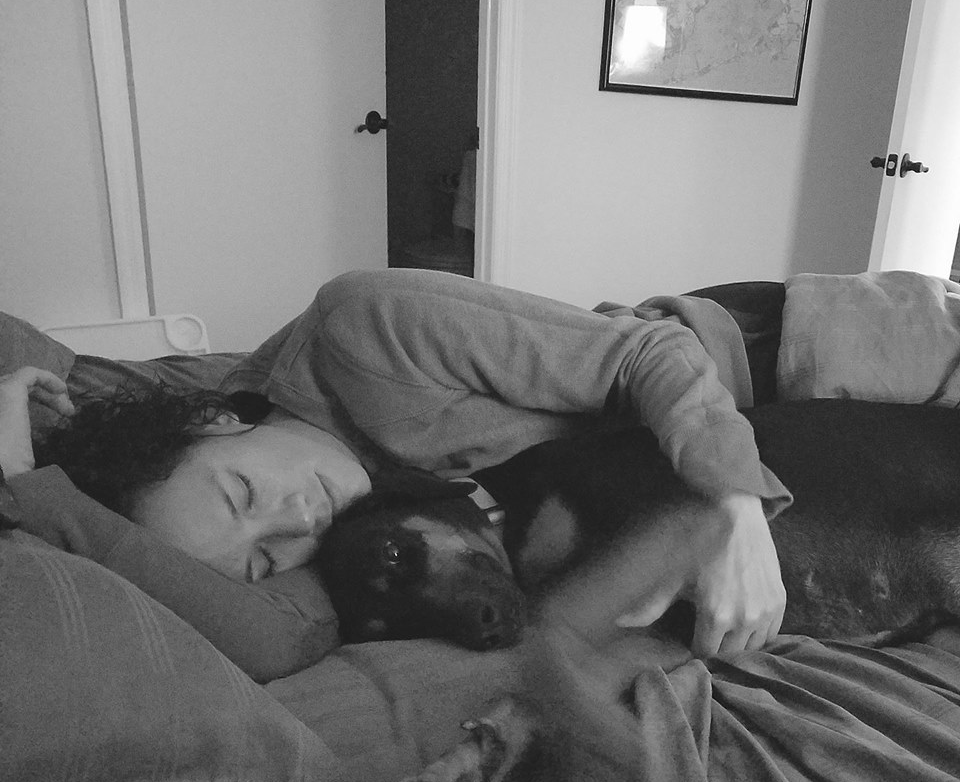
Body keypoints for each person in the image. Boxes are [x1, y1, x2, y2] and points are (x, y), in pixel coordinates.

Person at [3, 268, 790, 657]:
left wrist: (732, 503)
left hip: (762, 354)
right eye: (262, 558)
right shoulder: (337, 532)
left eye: (244, 491)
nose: (298, 519)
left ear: (213, 419)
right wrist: (20, 473)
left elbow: (649, 352)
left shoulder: (364, 326)